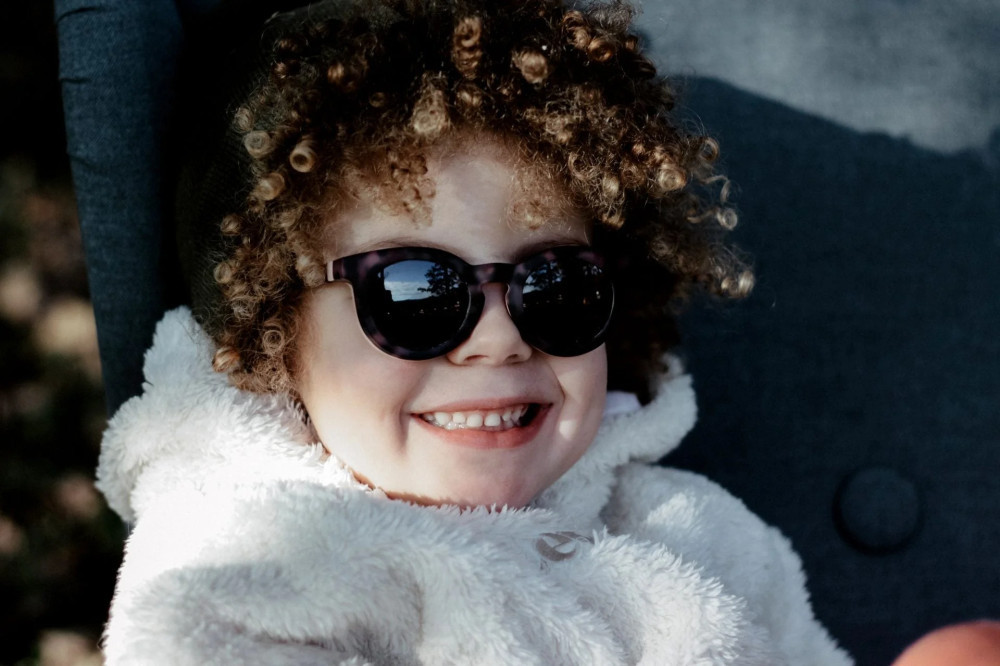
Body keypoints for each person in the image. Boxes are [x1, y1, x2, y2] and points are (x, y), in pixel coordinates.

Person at [94, 0, 852, 663]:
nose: (499, 339)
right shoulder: (235, 567)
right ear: (275, 333)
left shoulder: (699, 537)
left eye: (555, 286)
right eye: (416, 293)